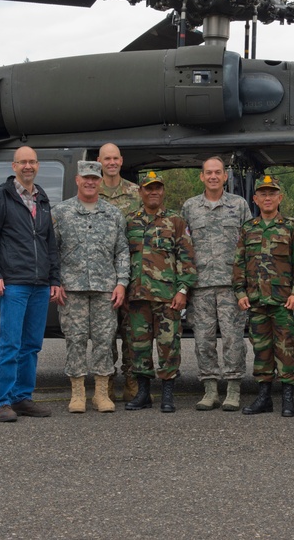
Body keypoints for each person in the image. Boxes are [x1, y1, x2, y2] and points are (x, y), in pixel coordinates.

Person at [0, 146, 62, 423]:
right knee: (10, 344)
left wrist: (54, 278)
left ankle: (22, 397)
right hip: (14, 283)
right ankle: (1, 401)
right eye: (22, 162)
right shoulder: (0, 197)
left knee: (31, 345)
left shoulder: (42, 198)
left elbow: (49, 243)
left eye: (32, 162)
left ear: (37, 165)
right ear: (13, 166)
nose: (28, 166)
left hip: (40, 284)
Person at [51, 160, 129, 413]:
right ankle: (77, 394)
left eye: (94, 178)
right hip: (71, 289)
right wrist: (55, 281)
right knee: (75, 340)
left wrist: (121, 283)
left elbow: (122, 251)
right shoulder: (60, 212)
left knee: (105, 341)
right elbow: (51, 250)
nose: (90, 182)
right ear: (77, 179)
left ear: (100, 181)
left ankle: (101, 394)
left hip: (105, 288)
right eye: (86, 177)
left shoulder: (113, 214)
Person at [182, 156, 252, 411]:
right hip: (200, 287)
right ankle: (210, 390)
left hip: (231, 286)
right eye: (208, 172)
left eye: (218, 172)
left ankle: (233, 390)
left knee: (233, 339)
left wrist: (245, 284)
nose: (213, 176)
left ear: (225, 177)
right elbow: (184, 247)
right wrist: (185, 284)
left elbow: (249, 244)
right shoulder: (190, 207)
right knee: (203, 340)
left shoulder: (239, 205)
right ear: (202, 176)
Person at [232, 175, 294, 417]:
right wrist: (240, 292)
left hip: (282, 300)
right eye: (262, 194)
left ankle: (287, 397)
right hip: (255, 300)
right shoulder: (248, 229)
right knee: (261, 349)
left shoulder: (291, 226)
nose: (267, 197)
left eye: (272, 193)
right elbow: (239, 263)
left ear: (279, 197)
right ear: (255, 199)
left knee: (285, 348)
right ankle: (263, 396)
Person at [124, 172, 196, 412]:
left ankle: (167, 394)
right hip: (137, 296)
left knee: (168, 345)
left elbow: (187, 258)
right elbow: (123, 258)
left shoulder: (175, 221)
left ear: (163, 191)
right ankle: (143, 394)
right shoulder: (130, 221)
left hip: (167, 297)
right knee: (139, 346)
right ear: (140, 192)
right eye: (148, 188)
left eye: (157, 188)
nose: (153, 192)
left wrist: (183, 290)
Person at [96, 142, 142, 402]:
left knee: (131, 330)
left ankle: (132, 380)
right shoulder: (91, 190)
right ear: (100, 161)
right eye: (107, 158)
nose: (111, 163)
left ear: (121, 161)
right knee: (105, 332)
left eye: (115, 158)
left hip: (132, 272)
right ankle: (108, 379)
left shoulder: (136, 193)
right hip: (102, 272)